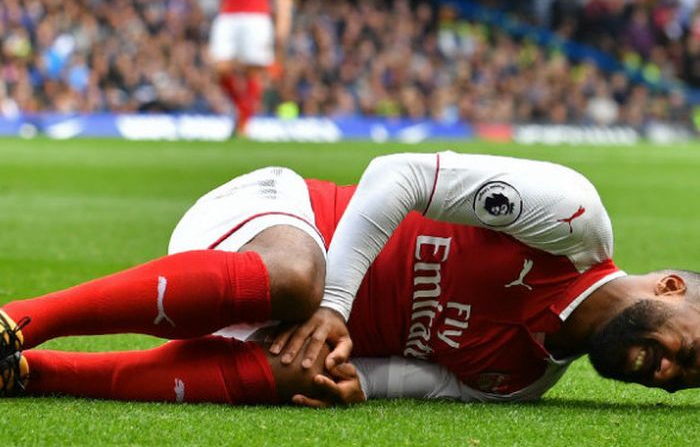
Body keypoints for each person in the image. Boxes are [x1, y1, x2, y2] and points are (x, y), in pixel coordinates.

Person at [1, 152, 699, 405]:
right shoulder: (573, 219)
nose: (668, 372)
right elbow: (394, 175)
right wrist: (335, 304)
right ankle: (20, 317)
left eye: (684, 381)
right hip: (270, 220)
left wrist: (340, 378)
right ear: (672, 286)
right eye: (687, 351)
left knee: (306, 373)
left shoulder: (520, 381)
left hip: (276, 318)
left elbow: (386, 376)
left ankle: (32, 375)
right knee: (303, 281)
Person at [210, 0, 293, 136]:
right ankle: (242, 111)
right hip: (228, 13)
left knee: (253, 71)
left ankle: (243, 124)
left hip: (256, 15)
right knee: (219, 68)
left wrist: (284, 21)